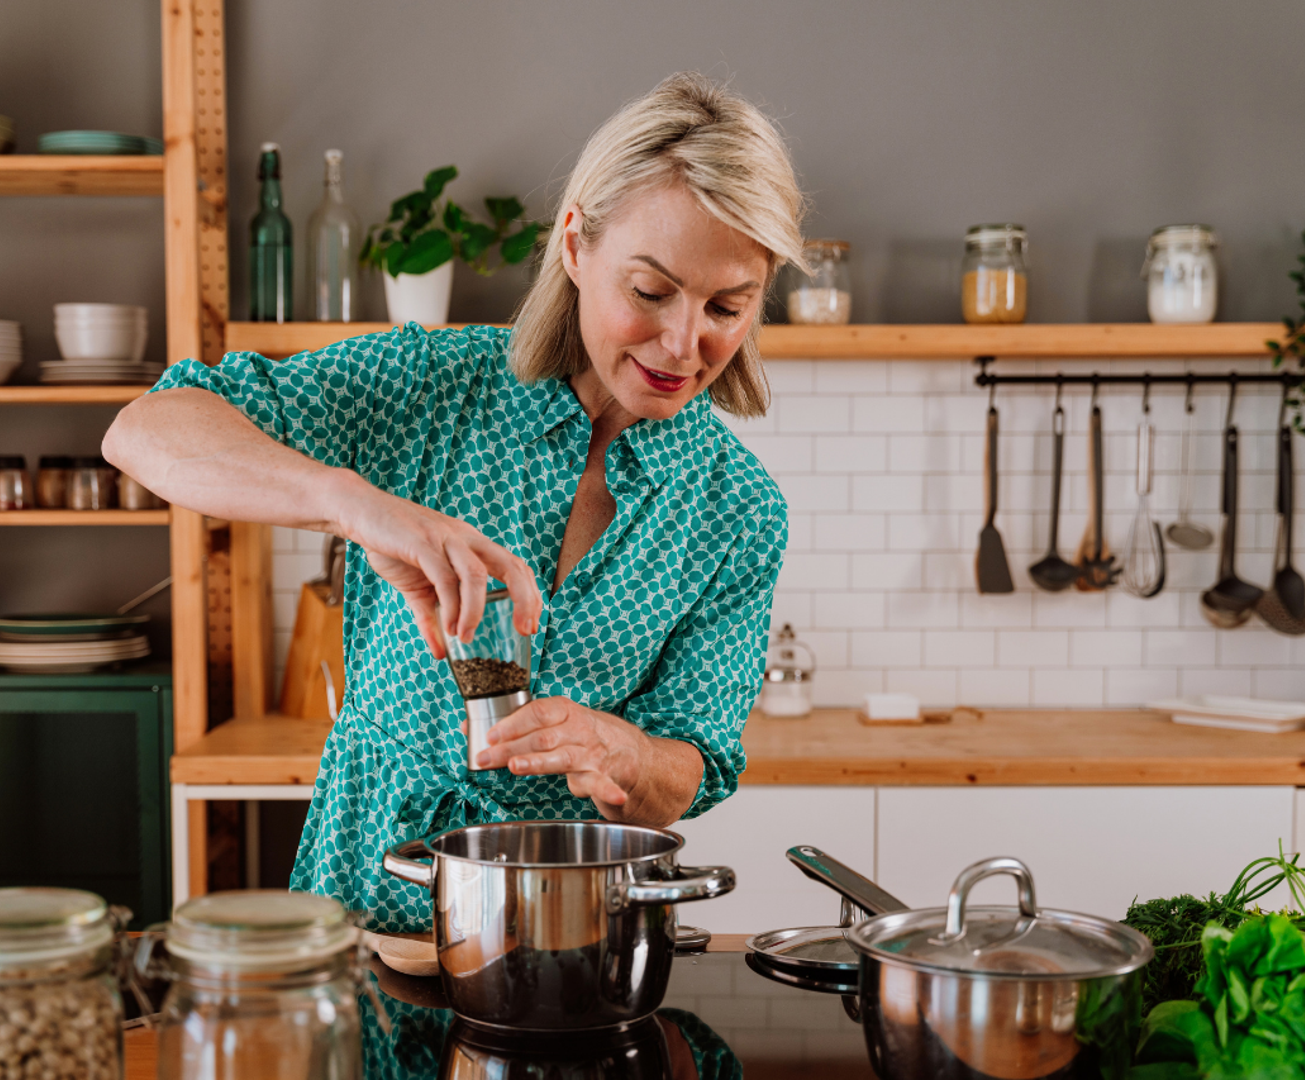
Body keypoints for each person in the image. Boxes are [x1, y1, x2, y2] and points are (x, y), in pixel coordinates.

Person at [103, 72, 804, 931]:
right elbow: (145, 429)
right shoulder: (430, 384)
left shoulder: (737, 510)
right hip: (362, 899)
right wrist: (350, 502)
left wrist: (624, 752)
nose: (682, 343)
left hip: (570, 929)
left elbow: (693, 762)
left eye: (726, 308)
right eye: (650, 291)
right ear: (577, 246)